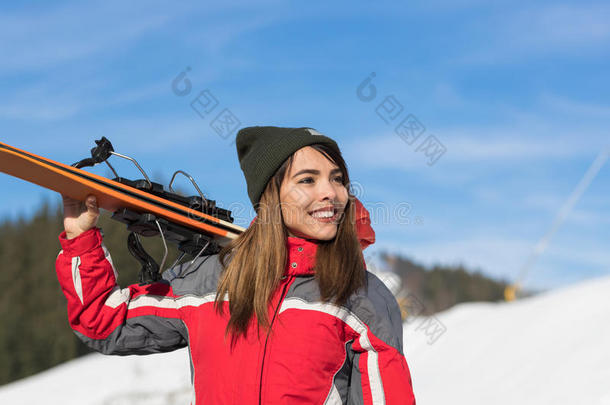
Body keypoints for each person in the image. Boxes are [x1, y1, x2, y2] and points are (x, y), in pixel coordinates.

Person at [56, 126, 416, 404]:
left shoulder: (361, 295)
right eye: (308, 179)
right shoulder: (209, 282)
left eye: (337, 178)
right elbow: (102, 322)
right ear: (269, 195)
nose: (331, 192)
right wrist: (80, 240)